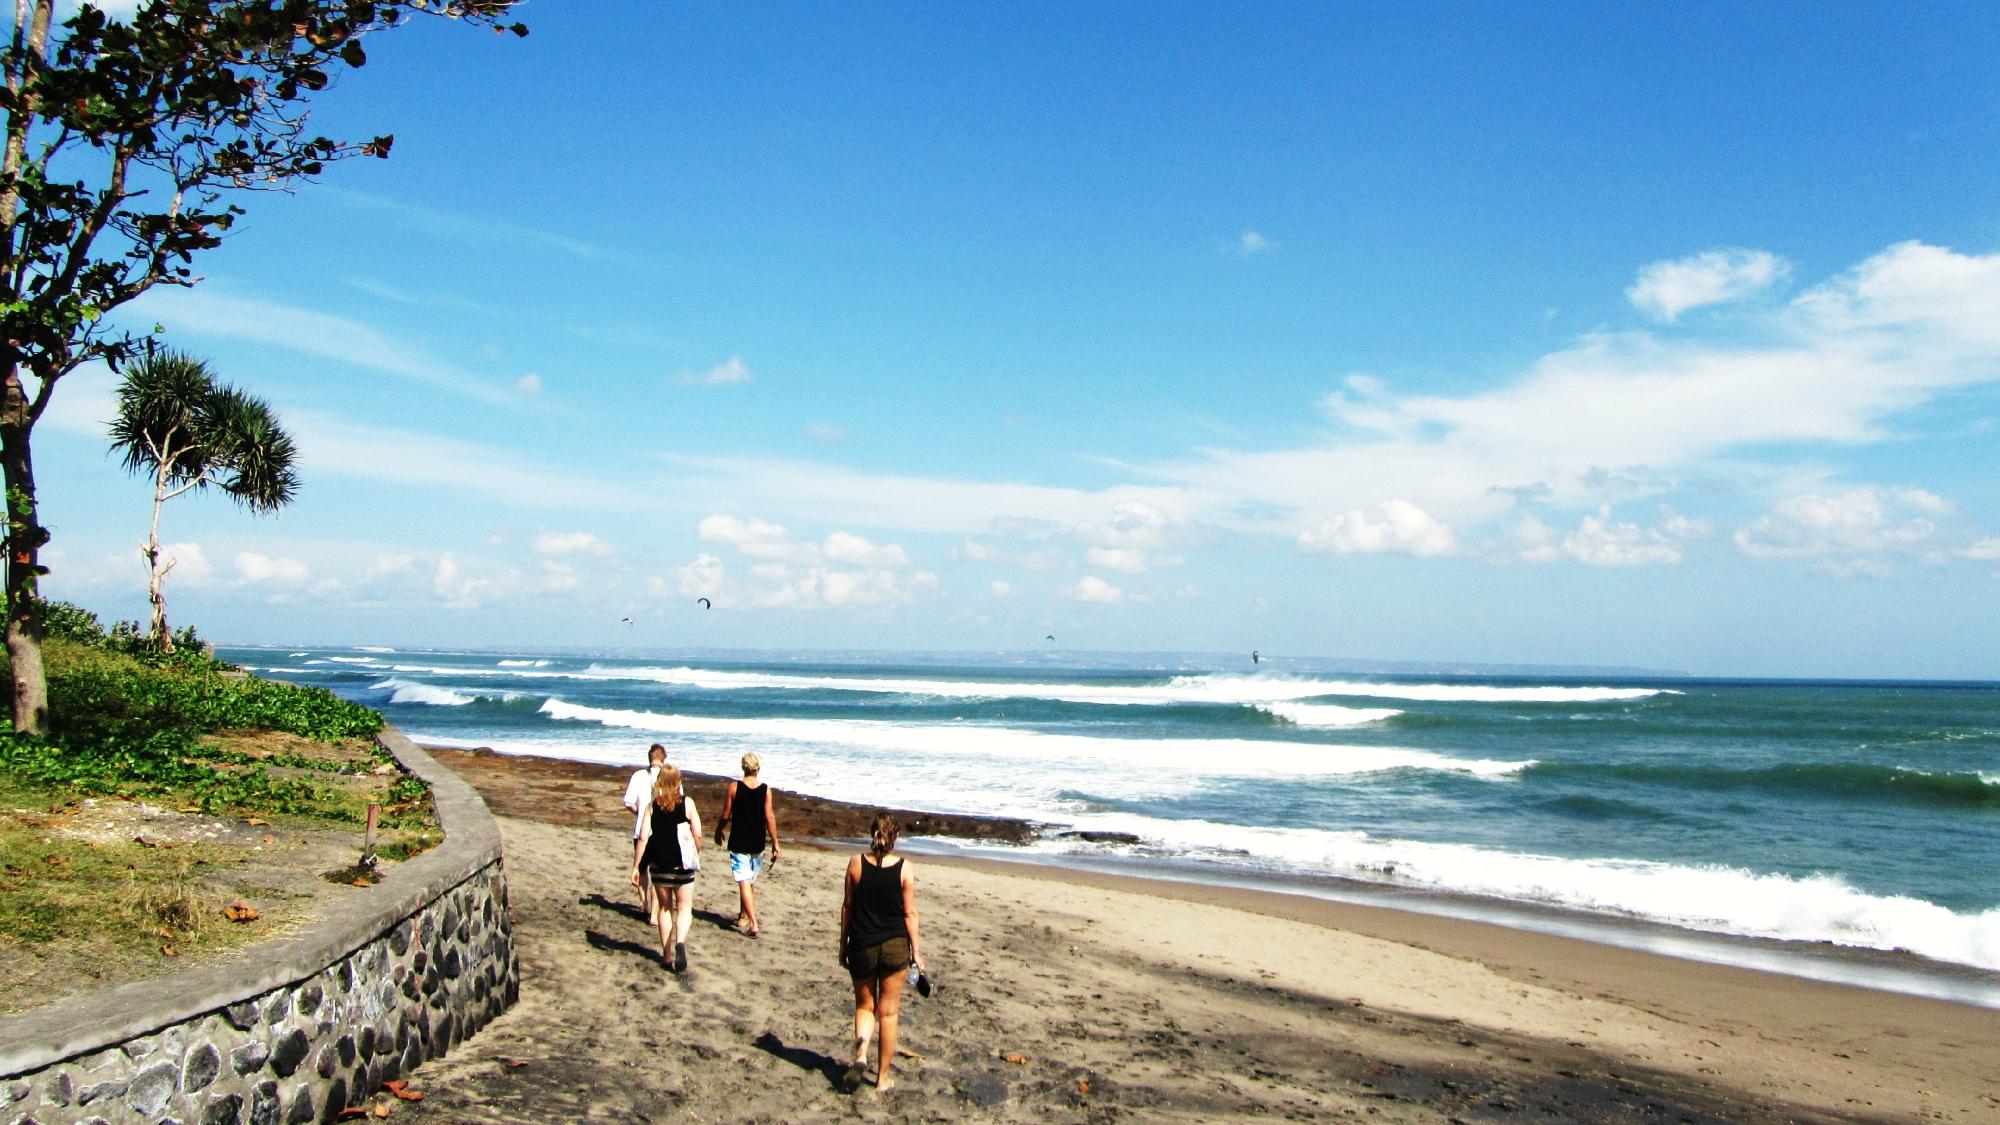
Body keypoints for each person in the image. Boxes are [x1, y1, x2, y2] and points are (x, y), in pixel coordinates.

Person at [839, 811, 923, 1093]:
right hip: (894, 945)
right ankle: (882, 1078)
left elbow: (848, 907)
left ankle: (861, 1055)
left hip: (861, 943)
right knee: (888, 1013)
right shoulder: (904, 868)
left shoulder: (855, 864)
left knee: (864, 1006)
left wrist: (843, 944)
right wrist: (917, 952)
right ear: (895, 837)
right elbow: (910, 914)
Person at [630, 764, 701, 973]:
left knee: (664, 908)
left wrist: (636, 866)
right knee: (684, 908)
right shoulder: (687, 804)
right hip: (683, 864)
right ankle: (680, 941)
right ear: (678, 782)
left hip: (659, 864)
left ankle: (666, 955)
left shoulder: (652, 807)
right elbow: (697, 834)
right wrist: (696, 851)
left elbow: (643, 838)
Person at [713, 751, 782, 937]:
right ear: (758, 768)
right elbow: (769, 816)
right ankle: (743, 915)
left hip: (740, 841)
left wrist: (719, 830)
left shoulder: (734, 788)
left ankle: (753, 923)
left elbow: (726, 814)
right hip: (757, 841)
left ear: (743, 767)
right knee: (750, 882)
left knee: (744, 882)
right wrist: (775, 841)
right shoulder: (765, 789)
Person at [620, 744, 668, 921]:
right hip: (662, 832)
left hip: (641, 829)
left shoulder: (638, 775)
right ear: (664, 758)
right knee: (657, 872)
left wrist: (640, 812)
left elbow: (628, 802)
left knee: (642, 868)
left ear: (649, 758)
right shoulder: (670, 776)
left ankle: (644, 905)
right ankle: (655, 914)